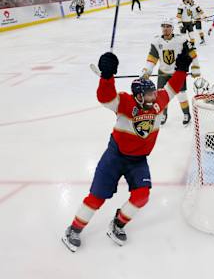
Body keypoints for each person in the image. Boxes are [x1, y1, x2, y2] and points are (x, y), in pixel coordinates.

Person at [62, 50, 192, 252]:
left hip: (138, 160)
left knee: (142, 195)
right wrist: (106, 77)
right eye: (149, 94)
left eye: (153, 92)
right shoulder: (125, 102)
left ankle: (117, 223)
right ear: (139, 96)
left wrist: (182, 69)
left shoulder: (158, 103)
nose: (153, 96)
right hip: (115, 156)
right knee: (96, 197)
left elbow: (173, 87)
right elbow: (105, 98)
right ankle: (74, 228)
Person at [141, 18, 201, 126]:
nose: (165, 29)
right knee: (161, 95)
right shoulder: (156, 42)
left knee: (181, 95)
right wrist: (147, 71)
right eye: (163, 26)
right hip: (163, 73)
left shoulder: (181, 40)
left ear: (172, 28)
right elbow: (151, 59)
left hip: (177, 73)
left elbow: (192, 53)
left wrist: (195, 67)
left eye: (168, 26)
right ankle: (163, 114)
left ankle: (186, 114)